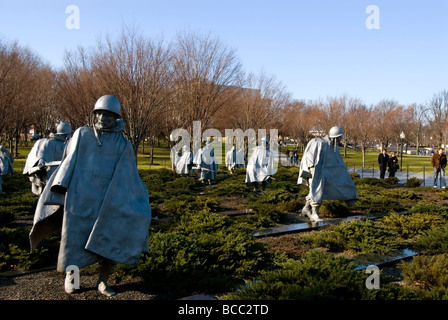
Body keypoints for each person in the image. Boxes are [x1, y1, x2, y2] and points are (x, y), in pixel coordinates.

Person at [29, 95, 152, 297]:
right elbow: (69, 160)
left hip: (108, 201)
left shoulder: (124, 145)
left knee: (108, 239)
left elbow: (128, 175)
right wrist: (60, 186)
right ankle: (73, 279)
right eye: (100, 113)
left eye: (108, 114)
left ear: (116, 117)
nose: (103, 117)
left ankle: (103, 281)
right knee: (73, 239)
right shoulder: (82, 134)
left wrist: (133, 203)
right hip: (80, 198)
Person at [298, 126, 358, 222]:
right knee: (316, 190)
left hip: (324, 173)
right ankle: (314, 213)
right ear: (334, 137)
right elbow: (310, 157)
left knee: (317, 191)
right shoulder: (318, 142)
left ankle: (306, 209)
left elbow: (338, 164)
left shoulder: (332, 147)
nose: (340, 140)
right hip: (316, 172)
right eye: (339, 137)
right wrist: (312, 170)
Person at [23, 123, 72, 195]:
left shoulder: (62, 145)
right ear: (66, 134)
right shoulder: (52, 143)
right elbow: (41, 153)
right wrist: (40, 162)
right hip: (49, 173)